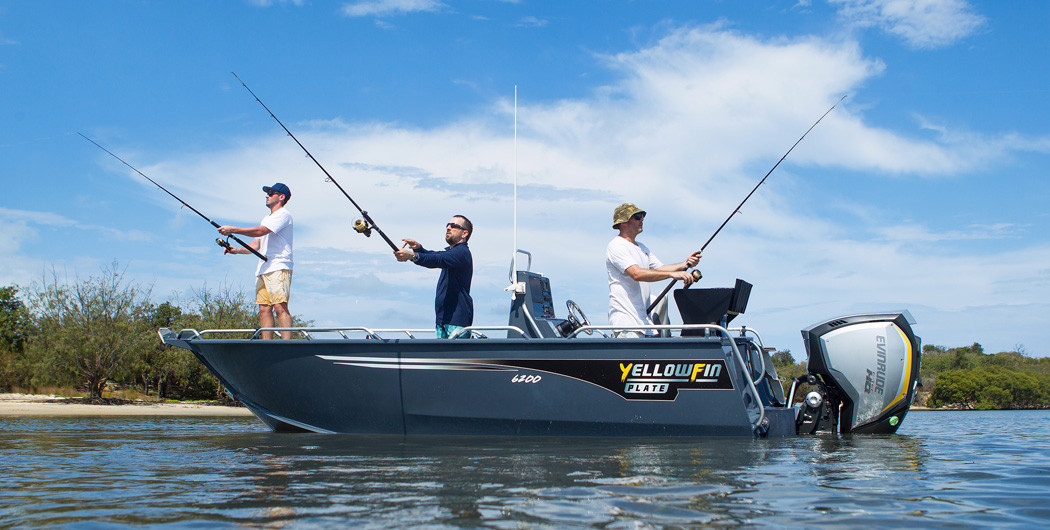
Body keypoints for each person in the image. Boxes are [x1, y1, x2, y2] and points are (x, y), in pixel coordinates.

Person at [607, 203, 700, 337]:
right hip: (627, 325)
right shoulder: (616, 246)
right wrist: (673, 275)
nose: (642, 220)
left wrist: (685, 264)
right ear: (623, 222)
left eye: (642, 216)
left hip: (645, 324)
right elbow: (636, 273)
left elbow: (660, 268)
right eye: (637, 216)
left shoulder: (642, 247)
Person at [218, 182, 294, 340]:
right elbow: (256, 244)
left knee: (280, 306)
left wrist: (232, 229)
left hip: (278, 266)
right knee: (263, 308)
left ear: (281, 197)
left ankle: (287, 344)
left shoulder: (283, 215)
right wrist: (236, 251)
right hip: (263, 268)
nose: (267, 195)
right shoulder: (266, 218)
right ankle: (267, 345)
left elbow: (261, 231)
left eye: (271, 193)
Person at [394, 215, 474, 339]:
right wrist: (418, 248)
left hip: (456, 321)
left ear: (464, 233)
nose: (448, 227)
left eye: (454, 226)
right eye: (448, 224)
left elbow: (437, 259)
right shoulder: (453, 253)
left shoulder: (462, 253)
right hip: (443, 319)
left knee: (455, 359)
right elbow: (435, 255)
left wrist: (412, 256)